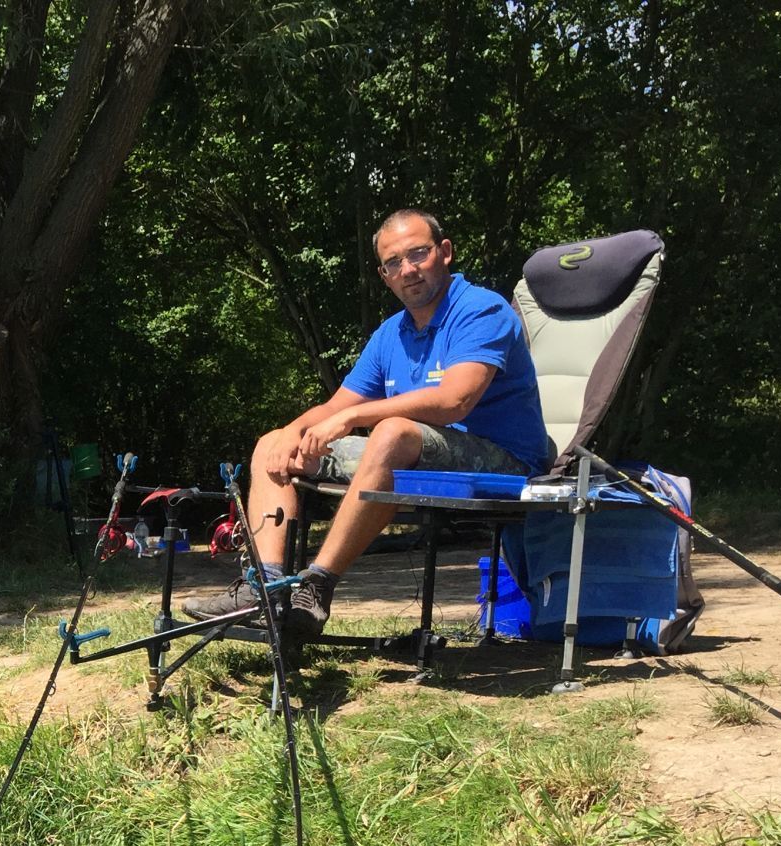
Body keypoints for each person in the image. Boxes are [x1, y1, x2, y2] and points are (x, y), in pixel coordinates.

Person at [186, 209, 550, 639]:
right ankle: (263, 590)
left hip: (505, 463)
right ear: (383, 274)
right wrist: (292, 431)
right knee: (273, 445)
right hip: (412, 454)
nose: (408, 270)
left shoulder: (480, 310)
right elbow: (338, 404)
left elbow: (455, 401)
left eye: (418, 254)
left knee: (393, 429)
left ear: (445, 252)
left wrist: (354, 417)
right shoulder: (390, 333)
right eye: (394, 262)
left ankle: (317, 586)